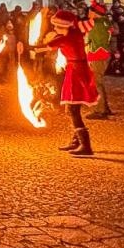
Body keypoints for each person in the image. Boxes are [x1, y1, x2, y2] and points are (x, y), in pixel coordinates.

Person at [41, 9, 109, 156]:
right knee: (71, 109)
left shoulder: (68, 38)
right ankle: (77, 141)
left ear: (65, 26)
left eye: (57, 26)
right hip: (75, 70)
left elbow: (48, 45)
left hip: (76, 72)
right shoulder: (74, 33)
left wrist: (29, 48)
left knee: (72, 109)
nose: (55, 29)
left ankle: (86, 145)